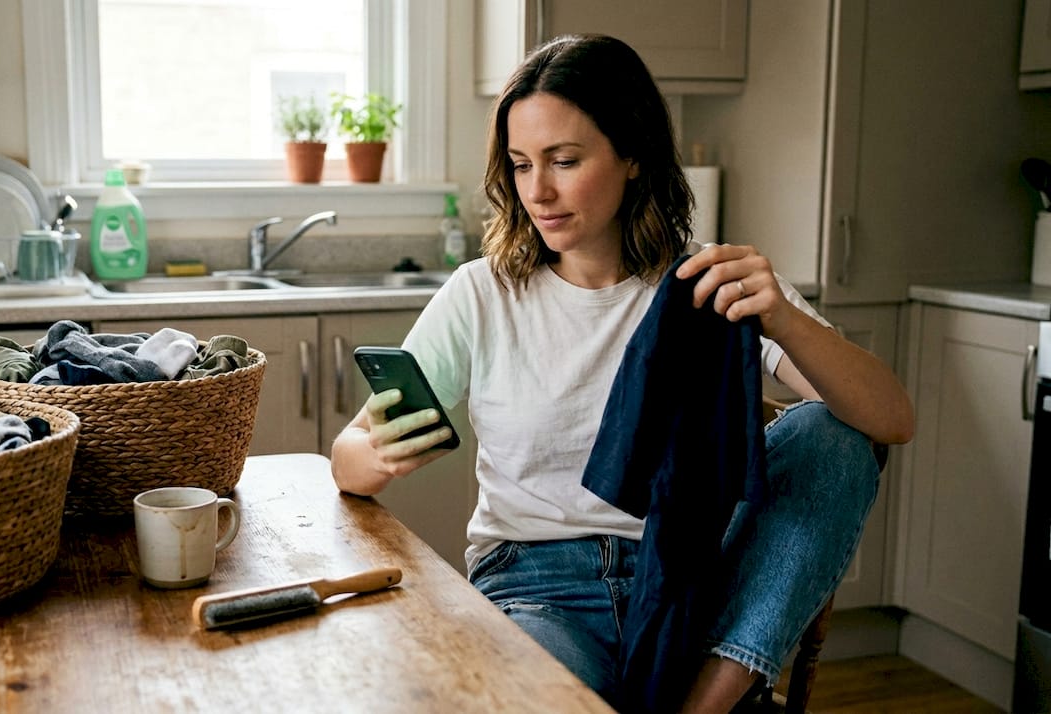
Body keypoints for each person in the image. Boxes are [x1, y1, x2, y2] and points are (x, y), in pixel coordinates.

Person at [331, 33, 914, 714]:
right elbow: (345, 459)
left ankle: (711, 697)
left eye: (565, 160)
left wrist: (783, 318)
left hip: (688, 583)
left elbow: (889, 421)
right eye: (521, 165)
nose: (538, 191)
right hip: (537, 589)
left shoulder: (707, 287)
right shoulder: (482, 294)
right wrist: (376, 453)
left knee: (834, 438)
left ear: (633, 155)